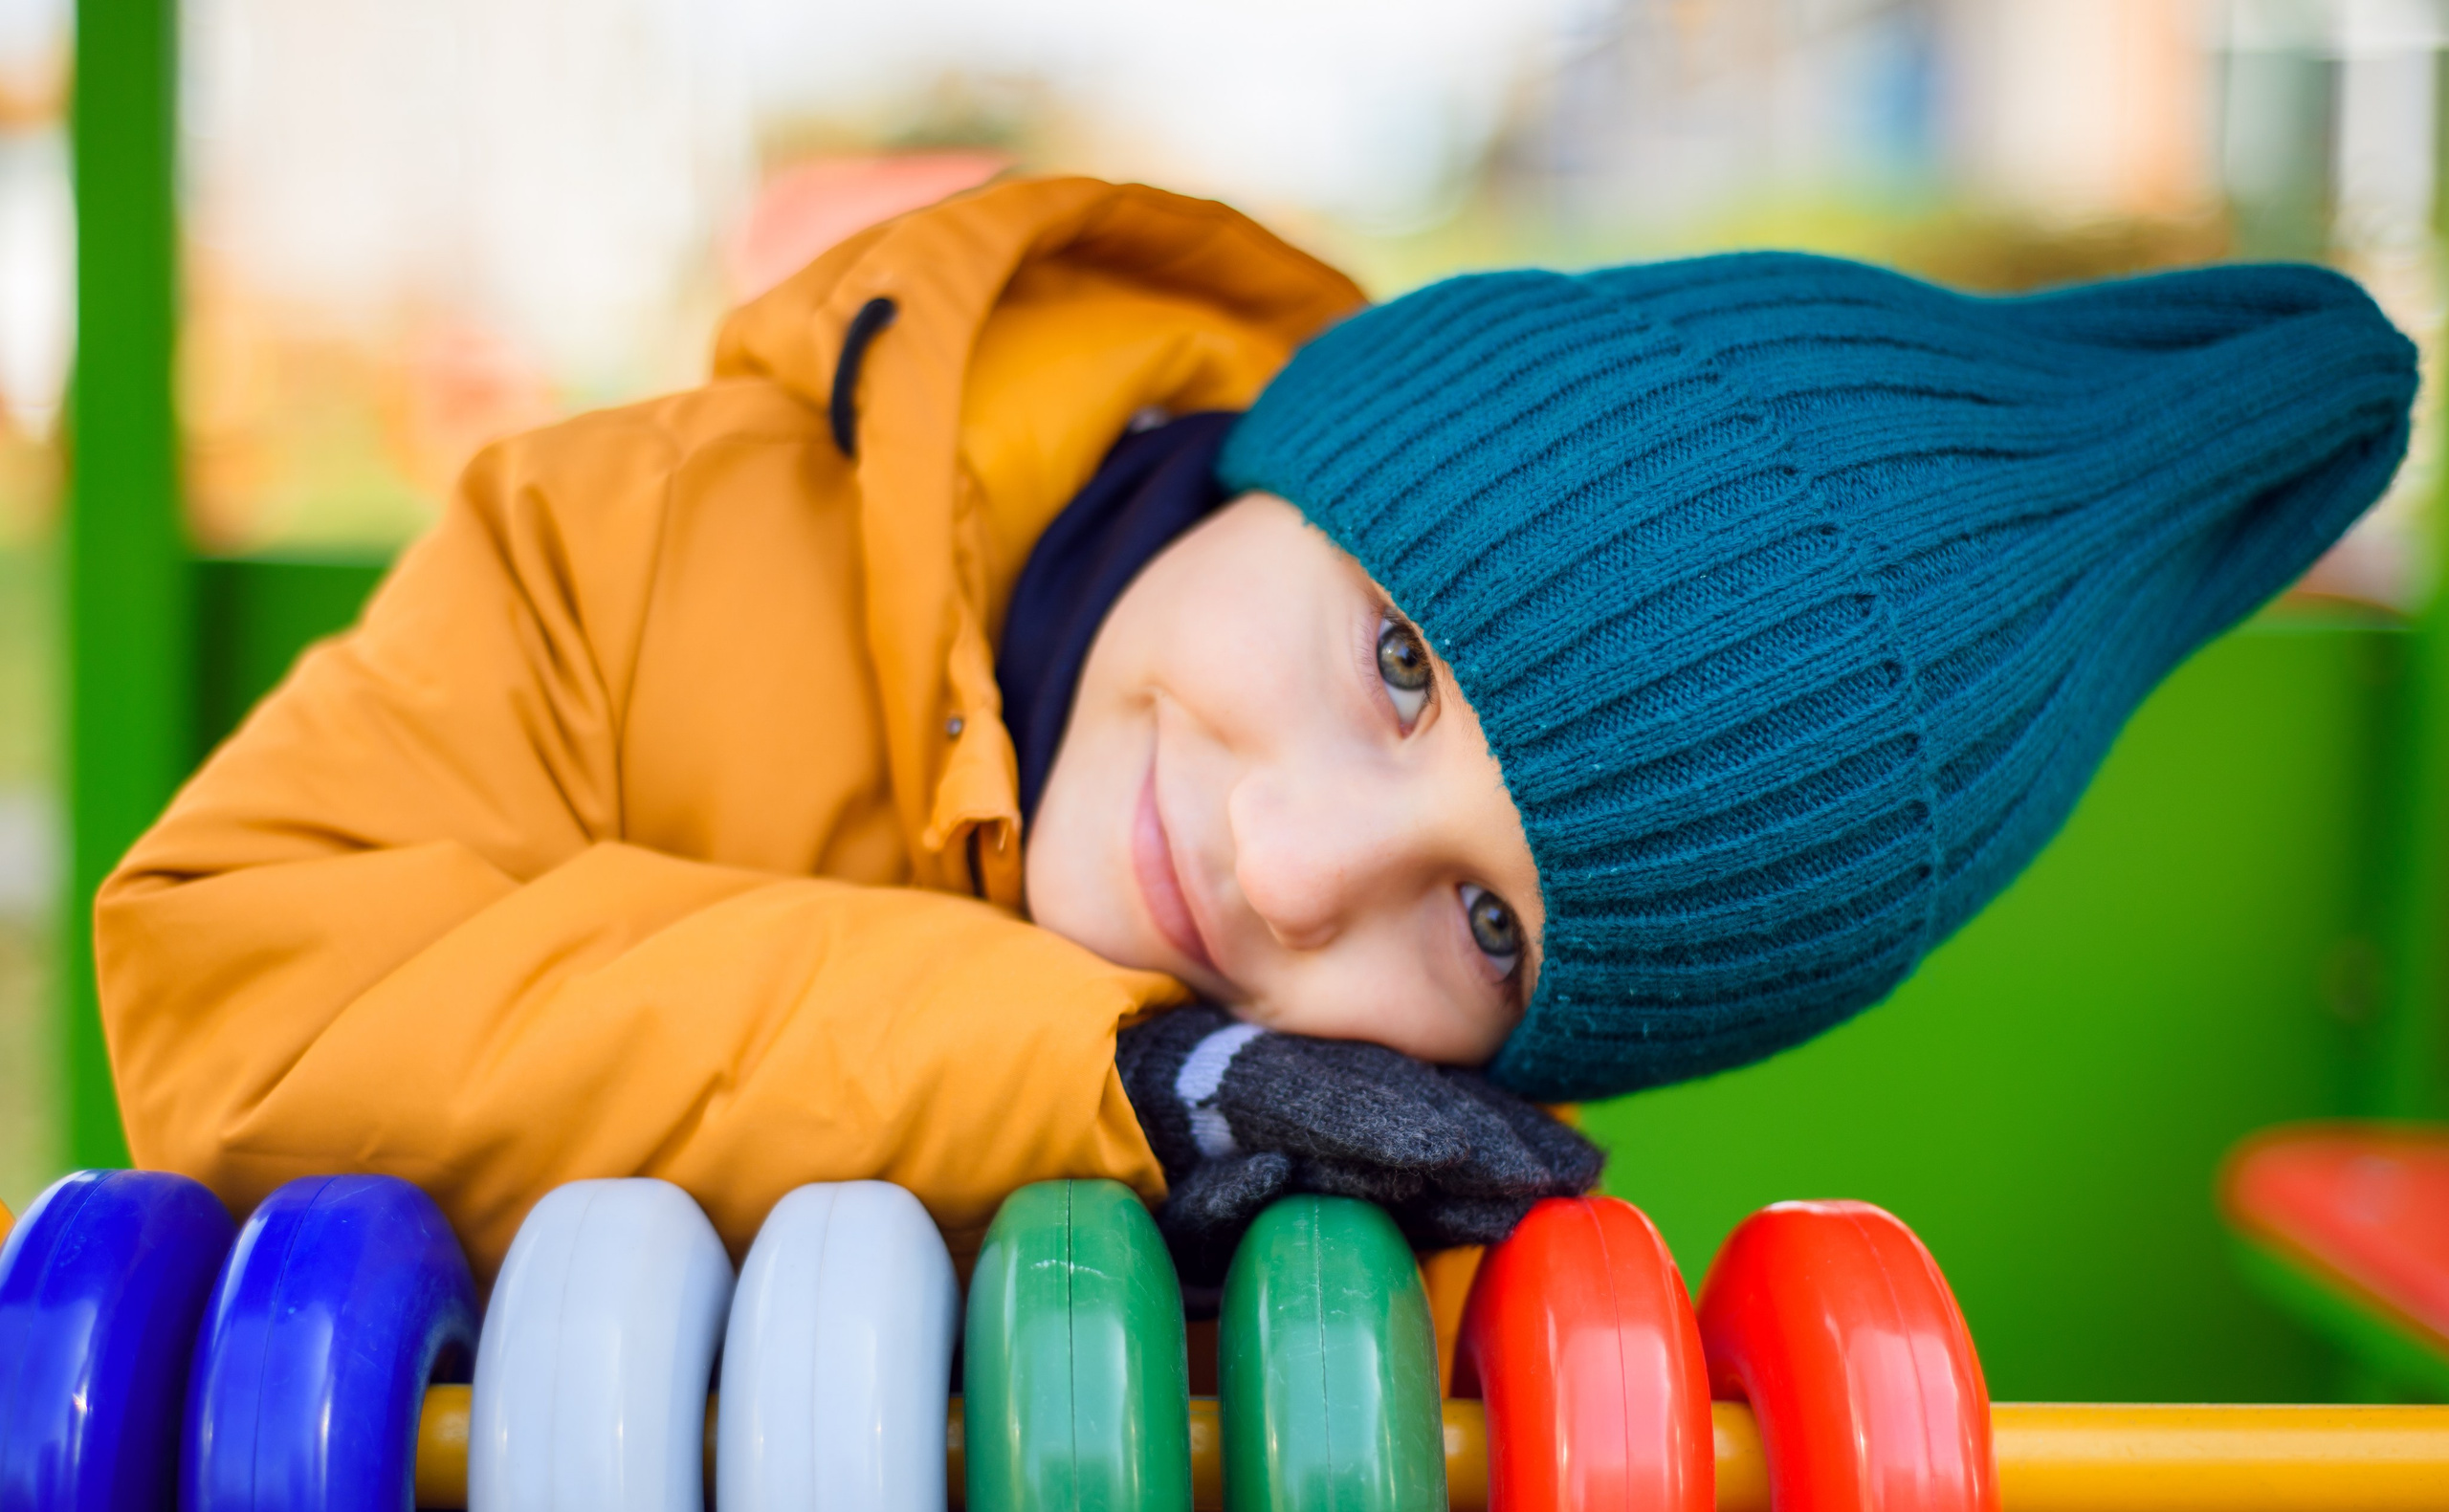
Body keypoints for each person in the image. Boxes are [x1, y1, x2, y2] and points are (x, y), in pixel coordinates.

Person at [95, 176, 2416, 1283]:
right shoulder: (649, 541)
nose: (1298, 875)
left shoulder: (1342, 1200)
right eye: (1399, 662)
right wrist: (1087, 1084)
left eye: (1486, 924)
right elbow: (242, 996)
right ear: (1302, 452)